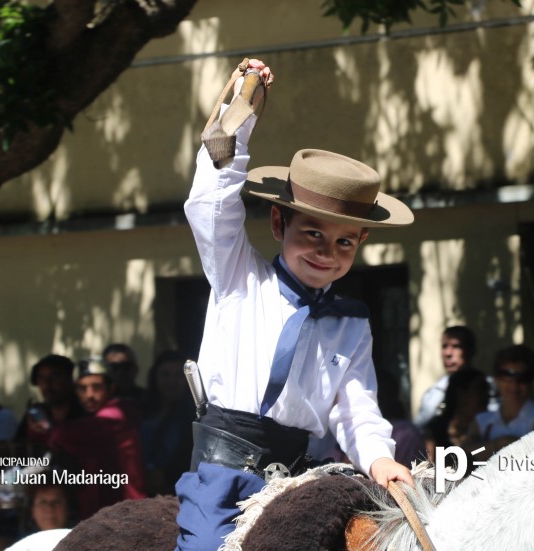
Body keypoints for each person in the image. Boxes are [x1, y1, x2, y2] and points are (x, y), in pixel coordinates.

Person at [175, 59, 415, 550]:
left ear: (362, 242)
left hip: (299, 479)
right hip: (223, 477)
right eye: (313, 234)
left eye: (346, 243)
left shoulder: (351, 324)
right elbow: (210, 204)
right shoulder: (238, 275)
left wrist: (379, 459)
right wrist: (241, 112)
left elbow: (356, 409)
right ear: (279, 225)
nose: (328, 254)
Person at [46, 359, 146, 519]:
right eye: (82, 388)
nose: (89, 395)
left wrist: (48, 428)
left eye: (97, 387)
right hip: (106, 515)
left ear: (111, 388)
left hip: (126, 515)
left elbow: (63, 435)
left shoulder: (117, 414)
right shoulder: (88, 419)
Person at [463, 345, 534, 462]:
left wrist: (490, 448)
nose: (514, 385)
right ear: (496, 379)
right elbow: (460, 457)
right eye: (507, 376)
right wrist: (497, 445)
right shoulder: (482, 421)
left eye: (522, 378)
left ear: (531, 381)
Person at [414, 325, 497, 428]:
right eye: (444, 346)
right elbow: (420, 428)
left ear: (471, 351)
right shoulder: (434, 393)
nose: (448, 353)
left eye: (456, 346)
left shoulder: (490, 388)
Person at [139, 350, 195, 496]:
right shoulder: (140, 412)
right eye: (165, 375)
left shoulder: (196, 419)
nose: (172, 381)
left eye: (178, 376)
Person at [15, 354, 85, 446]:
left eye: (55, 377)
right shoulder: (36, 414)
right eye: (41, 378)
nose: (46, 384)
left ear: (70, 379)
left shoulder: (85, 416)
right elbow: (16, 452)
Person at [424, 365, 490, 457]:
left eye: (487, 390)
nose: (485, 397)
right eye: (479, 390)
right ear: (461, 394)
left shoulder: (491, 429)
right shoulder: (435, 431)